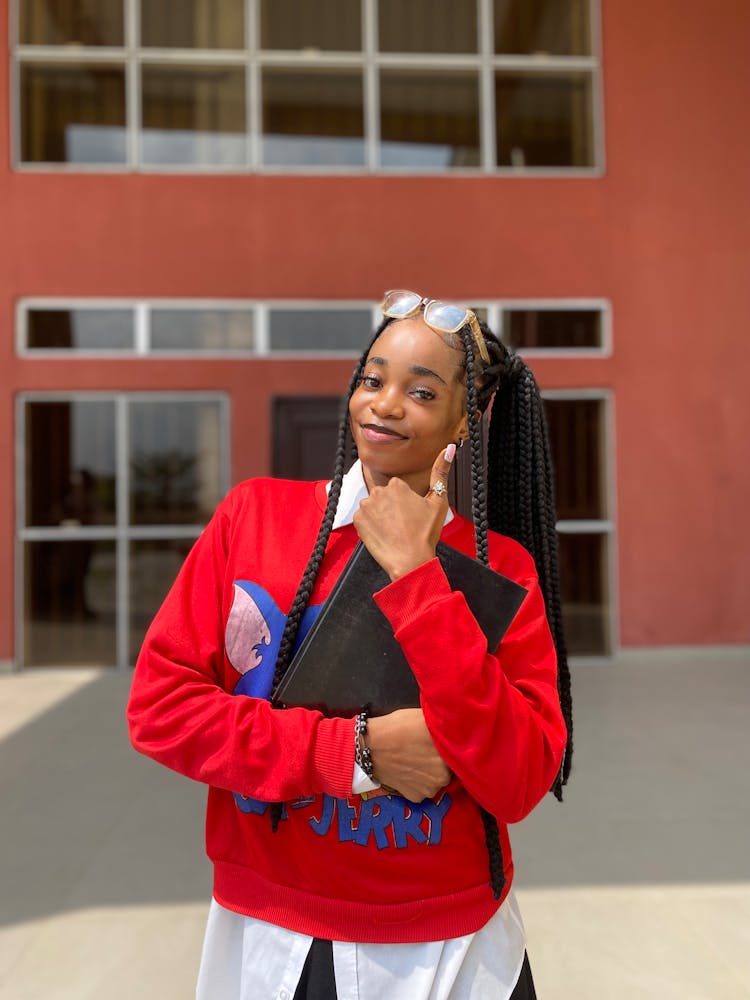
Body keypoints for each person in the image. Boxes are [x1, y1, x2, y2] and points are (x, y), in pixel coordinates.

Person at [127, 290, 573, 999]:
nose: (384, 404)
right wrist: (356, 754)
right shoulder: (255, 518)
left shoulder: (501, 569)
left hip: (452, 945)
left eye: (420, 391)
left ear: (464, 420)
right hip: (275, 930)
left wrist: (418, 576)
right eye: (373, 379)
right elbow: (161, 712)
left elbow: (520, 778)